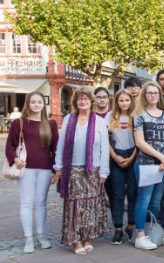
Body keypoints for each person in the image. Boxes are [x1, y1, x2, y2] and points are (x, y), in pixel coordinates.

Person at [53, 87, 110, 255]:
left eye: (85, 98)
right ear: (75, 102)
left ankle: (87, 238)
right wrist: (58, 167)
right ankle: (76, 240)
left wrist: (103, 172)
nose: (82, 101)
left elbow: (105, 147)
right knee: (74, 205)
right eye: (79, 99)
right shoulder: (68, 119)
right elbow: (61, 144)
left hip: (93, 169)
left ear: (90, 101)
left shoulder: (99, 121)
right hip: (72, 169)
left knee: (91, 205)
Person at [5, 91, 58, 253]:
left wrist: (56, 170)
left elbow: (55, 148)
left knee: (41, 203)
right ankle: (29, 238)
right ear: (28, 104)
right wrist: (14, 159)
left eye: (39, 102)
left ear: (44, 104)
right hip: (25, 169)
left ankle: (41, 236)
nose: (36, 104)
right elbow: (10, 146)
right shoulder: (19, 123)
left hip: (45, 169)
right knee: (26, 203)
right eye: (33, 102)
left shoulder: (51, 123)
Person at [132, 82, 164, 250]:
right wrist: (161, 157)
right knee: (144, 200)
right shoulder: (139, 115)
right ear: (144, 95)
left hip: (163, 165)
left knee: (156, 202)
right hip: (146, 164)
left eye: (155, 93)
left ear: (159, 95)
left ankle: (150, 233)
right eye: (149, 93)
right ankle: (140, 235)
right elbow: (140, 142)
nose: (153, 95)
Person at [106, 89, 137, 245]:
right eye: (121, 100)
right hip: (116, 155)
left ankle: (131, 225)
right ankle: (118, 227)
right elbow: (105, 140)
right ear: (116, 102)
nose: (124, 103)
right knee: (117, 194)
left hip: (133, 155)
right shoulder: (110, 116)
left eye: (127, 100)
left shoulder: (136, 116)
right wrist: (115, 156)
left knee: (132, 193)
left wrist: (131, 158)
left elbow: (140, 140)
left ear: (131, 101)